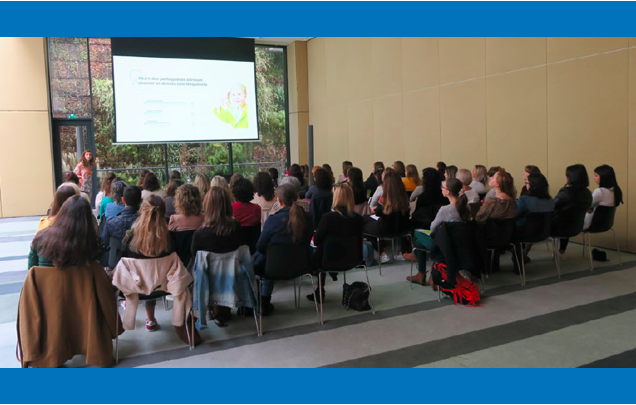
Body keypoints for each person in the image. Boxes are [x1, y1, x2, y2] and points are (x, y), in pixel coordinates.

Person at [190, 187, 248, 326]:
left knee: (199, 267)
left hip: (207, 281)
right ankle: (221, 310)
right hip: (233, 279)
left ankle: (209, 308)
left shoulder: (200, 234)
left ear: (207, 206)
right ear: (227, 205)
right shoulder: (237, 228)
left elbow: (194, 257)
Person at [254, 184, 313, 315]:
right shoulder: (308, 218)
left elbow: (260, 246)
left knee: (261, 258)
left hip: (273, 269)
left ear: (279, 201)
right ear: (297, 197)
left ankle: (264, 301)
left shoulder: (272, 221)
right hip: (302, 266)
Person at [121, 195, 174, 332]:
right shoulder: (170, 235)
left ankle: (150, 319)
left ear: (141, 210)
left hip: (137, 286)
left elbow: (122, 257)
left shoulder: (130, 234)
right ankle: (151, 319)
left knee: (144, 273)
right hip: (166, 285)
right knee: (154, 274)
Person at [406, 178, 470, 285]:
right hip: (462, 245)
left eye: (443, 187)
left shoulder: (445, 210)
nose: (441, 189)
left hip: (445, 245)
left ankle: (421, 273)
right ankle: (426, 273)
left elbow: (433, 228)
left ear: (448, 192)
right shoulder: (466, 207)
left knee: (417, 235)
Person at [310, 183, 363, 301]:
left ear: (335, 198)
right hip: (353, 259)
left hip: (328, 261)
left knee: (318, 250)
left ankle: (320, 290)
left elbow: (317, 241)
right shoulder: (358, 219)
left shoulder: (328, 218)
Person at [29, 195, 101, 269]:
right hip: (79, 280)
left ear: (62, 212)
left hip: (45, 280)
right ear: (88, 219)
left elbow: (31, 269)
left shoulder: (41, 237)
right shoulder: (92, 243)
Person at [363, 171, 411, 263]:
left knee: (363, 221)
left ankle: (382, 253)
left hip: (385, 229)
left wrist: (375, 210)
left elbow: (378, 213)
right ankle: (402, 251)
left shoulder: (384, 199)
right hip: (402, 229)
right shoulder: (404, 198)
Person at [475, 170, 518, 273]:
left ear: (497, 184)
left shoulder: (492, 202)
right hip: (509, 238)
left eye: (493, 177)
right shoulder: (513, 202)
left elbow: (478, 218)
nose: (490, 178)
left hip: (490, 239)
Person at [512, 173, 554, 272]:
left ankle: (518, 258)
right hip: (544, 234)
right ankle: (522, 257)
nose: (525, 185)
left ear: (531, 185)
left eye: (526, 183)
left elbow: (513, 215)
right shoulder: (550, 201)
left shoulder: (524, 200)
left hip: (524, 235)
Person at [553, 164, 593, 254]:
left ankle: (522, 256)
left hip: (559, 228)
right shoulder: (587, 193)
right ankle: (562, 250)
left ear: (570, 177)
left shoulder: (566, 192)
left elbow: (551, 206)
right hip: (576, 227)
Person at [584, 164, 623, 230]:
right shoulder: (616, 190)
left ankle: (564, 239)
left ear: (604, 177)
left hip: (592, 224)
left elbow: (588, 205)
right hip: (607, 225)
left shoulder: (600, 191)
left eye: (596, 176)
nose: (593, 178)